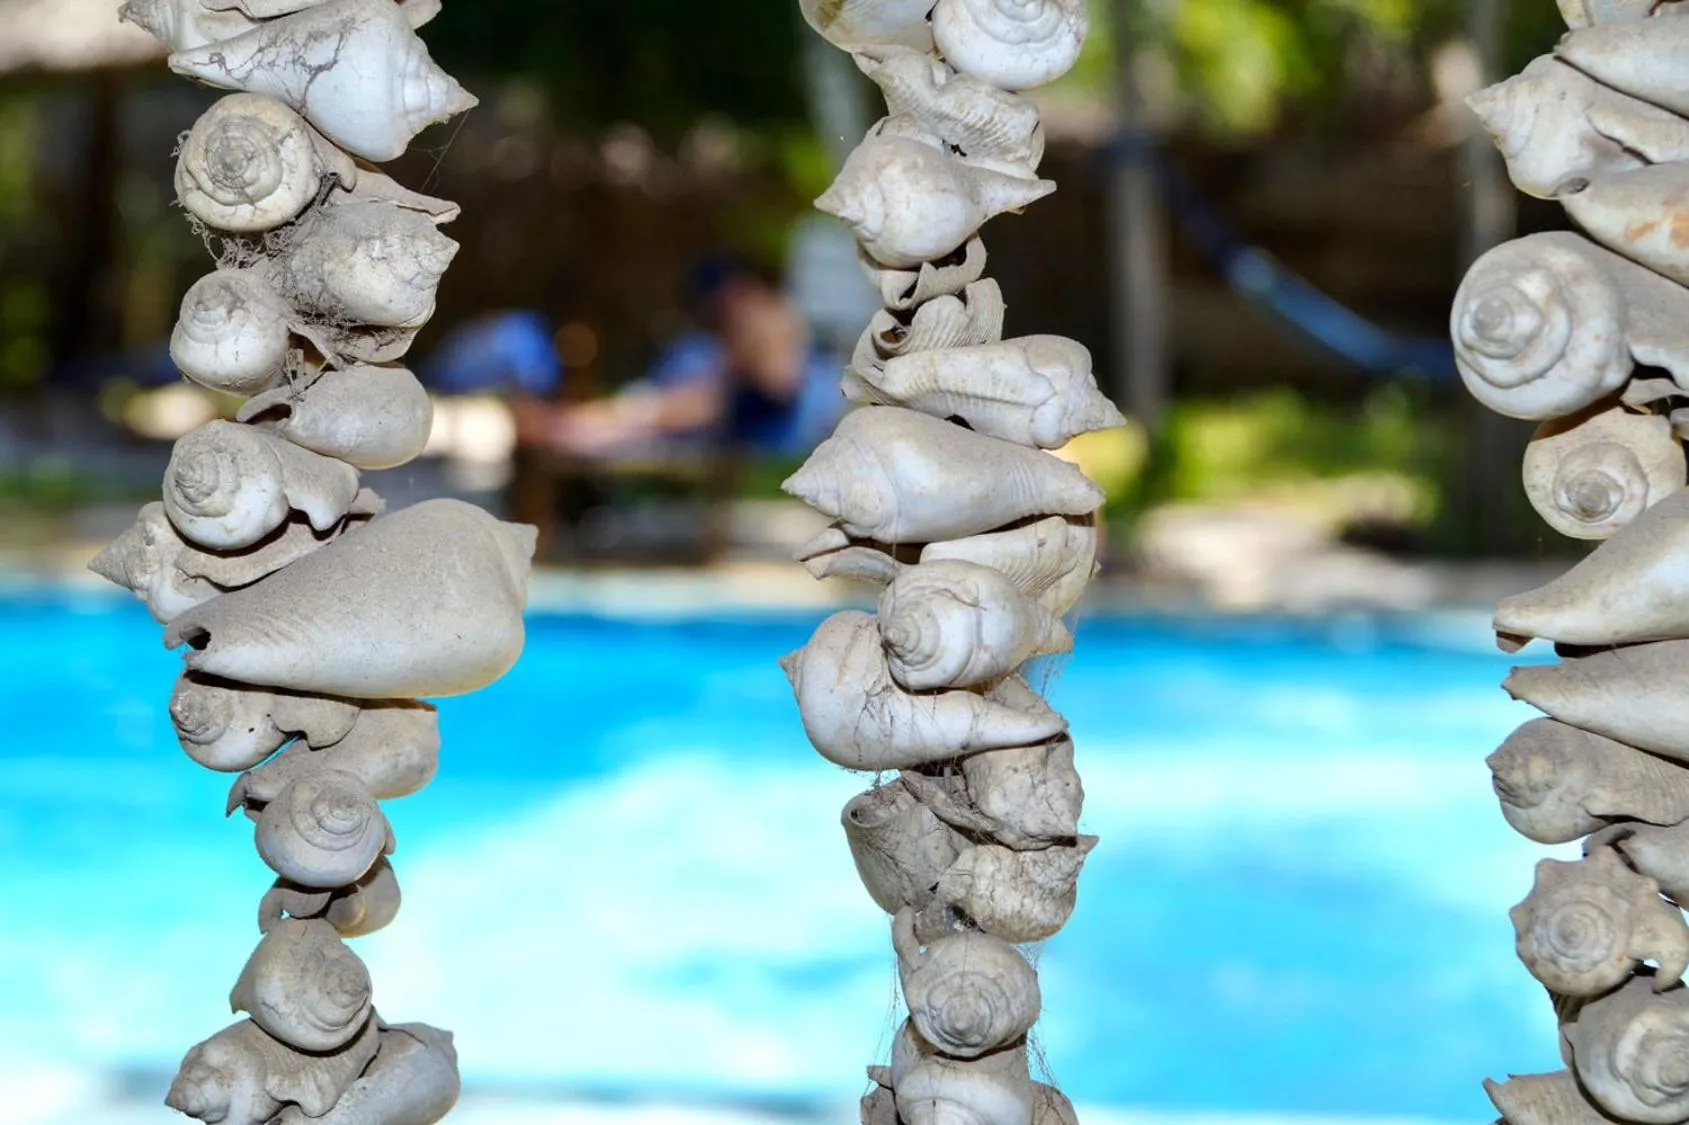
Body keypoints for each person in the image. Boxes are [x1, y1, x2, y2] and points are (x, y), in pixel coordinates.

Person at [510, 256, 844, 460]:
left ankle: (567, 429)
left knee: (648, 412)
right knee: (651, 409)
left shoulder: (767, 316)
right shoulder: (759, 320)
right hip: (732, 411)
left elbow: (778, 383)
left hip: (753, 421)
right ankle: (569, 428)